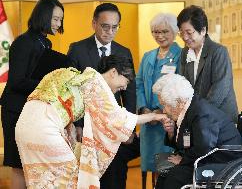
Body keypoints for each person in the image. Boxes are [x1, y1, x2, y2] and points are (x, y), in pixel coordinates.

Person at [15, 55, 167, 188]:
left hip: (24, 125)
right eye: (125, 81)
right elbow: (119, 119)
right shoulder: (96, 82)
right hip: (45, 129)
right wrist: (153, 116)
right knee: (69, 180)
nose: (125, 87)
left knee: (43, 181)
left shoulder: (81, 76)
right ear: (114, 72)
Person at [67, 3, 138, 189]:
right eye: (105, 26)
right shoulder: (78, 49)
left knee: (116, 173)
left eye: (115, 27)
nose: (110, 31)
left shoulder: (124, 52)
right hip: (88, 124)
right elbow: (72, 91)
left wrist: (128, 127)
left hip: (112, 125)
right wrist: (79, 124)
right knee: (90, 175)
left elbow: (129, 92)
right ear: (94, 24)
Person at [0, 0, 64, 188]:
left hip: (32, 111)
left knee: (32, 163)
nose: (58, 23)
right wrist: (49, 85)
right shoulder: (23, 42)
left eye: (60, 19)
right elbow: (17, 81)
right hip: (16, 111)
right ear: (43, 16)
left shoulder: (45, 43)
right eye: (55, 19)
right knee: (19, 164)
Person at [152, 74, 242, 189]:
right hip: (208, 157)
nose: (164, 110)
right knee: (164, 176)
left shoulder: (201, 112)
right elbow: (186, 142)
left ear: (179, 102)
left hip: (222, 161)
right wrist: (171, 132)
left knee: (174, 176)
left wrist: (183, 160)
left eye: (165, 105)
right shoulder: (190, 108)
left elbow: (204, 147)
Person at [136, 13, 181, 184]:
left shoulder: (180, 55)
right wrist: (144, 109)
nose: (160, 36)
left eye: (164, 31)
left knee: (165, 168)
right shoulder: (148, 56)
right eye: (155, 32)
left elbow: (180, 87)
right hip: (148, 120)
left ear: (174, 31)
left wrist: (161, 111)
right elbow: (139, 83)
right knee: (150, 164)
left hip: (167, 120)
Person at [177, 5, 238, 123]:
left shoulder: (218, 52)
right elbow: (182, 85)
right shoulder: (185, 53)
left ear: (203, 30)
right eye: (181, 33)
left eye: (189, 33)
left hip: (220, 119)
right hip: (197, 119)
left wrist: (198, 113)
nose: (185, 37)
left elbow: (220, 89)